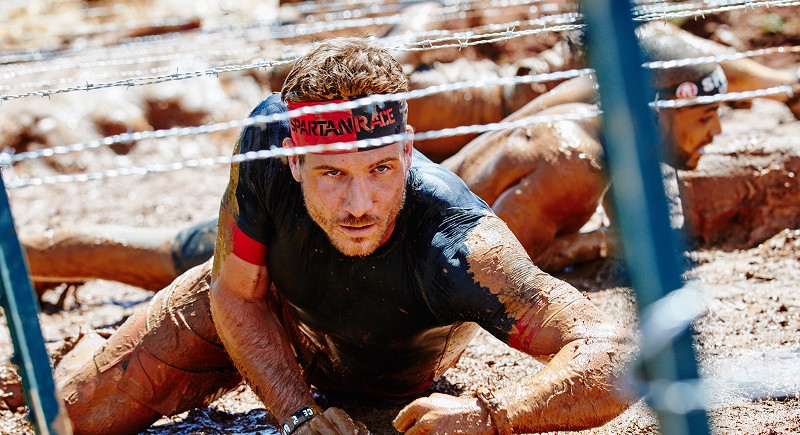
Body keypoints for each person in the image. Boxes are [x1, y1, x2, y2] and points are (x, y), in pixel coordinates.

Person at [19, 38, 635, 434]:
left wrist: (490, 416)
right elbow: (233, 294)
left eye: (380, 170)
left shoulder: (461, 243)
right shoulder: (265, 148)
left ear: (407, 150)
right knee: (71, 418)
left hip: (384, 372)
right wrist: (295, 413)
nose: (359, 204)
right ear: (293, 161)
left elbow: (619, 356)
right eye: (333, 174)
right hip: (268, 314)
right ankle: (85, 349)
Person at [26, 20, 799, 289]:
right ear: (678, 101)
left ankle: (20, 256)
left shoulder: (582, 109)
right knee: (162, 256)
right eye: (715, 113)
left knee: (157, 252)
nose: (721, 134)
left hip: (349, 210)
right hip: (348, 232)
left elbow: (651, 57)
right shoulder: (578, 154)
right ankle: (18, 257)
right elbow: (486, 258)